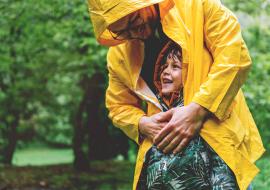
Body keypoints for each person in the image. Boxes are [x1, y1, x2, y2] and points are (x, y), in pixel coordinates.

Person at [88, 0, 265, 189]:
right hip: (161, 172)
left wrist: (199, 109)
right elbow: (118, 106)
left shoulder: (197, 5)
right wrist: (141, 124)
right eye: (121, 32)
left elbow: (234, 56)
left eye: (133, 20)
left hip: (220, 159)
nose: (133, 33)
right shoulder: (119, 55)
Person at [138, 40, 240, 189]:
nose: (165, 71)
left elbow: (222, 171)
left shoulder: (202, 115)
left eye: (175, 67)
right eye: (164, 66)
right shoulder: (156, 113)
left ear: (189, 73)